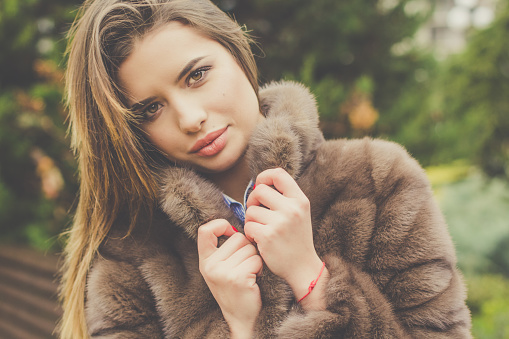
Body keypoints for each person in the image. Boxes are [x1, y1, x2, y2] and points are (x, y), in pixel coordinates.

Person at [59, 0, 472, 338]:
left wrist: (312, 280)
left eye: (196, 75)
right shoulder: (133, 246)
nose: (189, 118)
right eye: (151, 109)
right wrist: (241, 328)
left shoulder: (379, 179)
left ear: (238, 53)